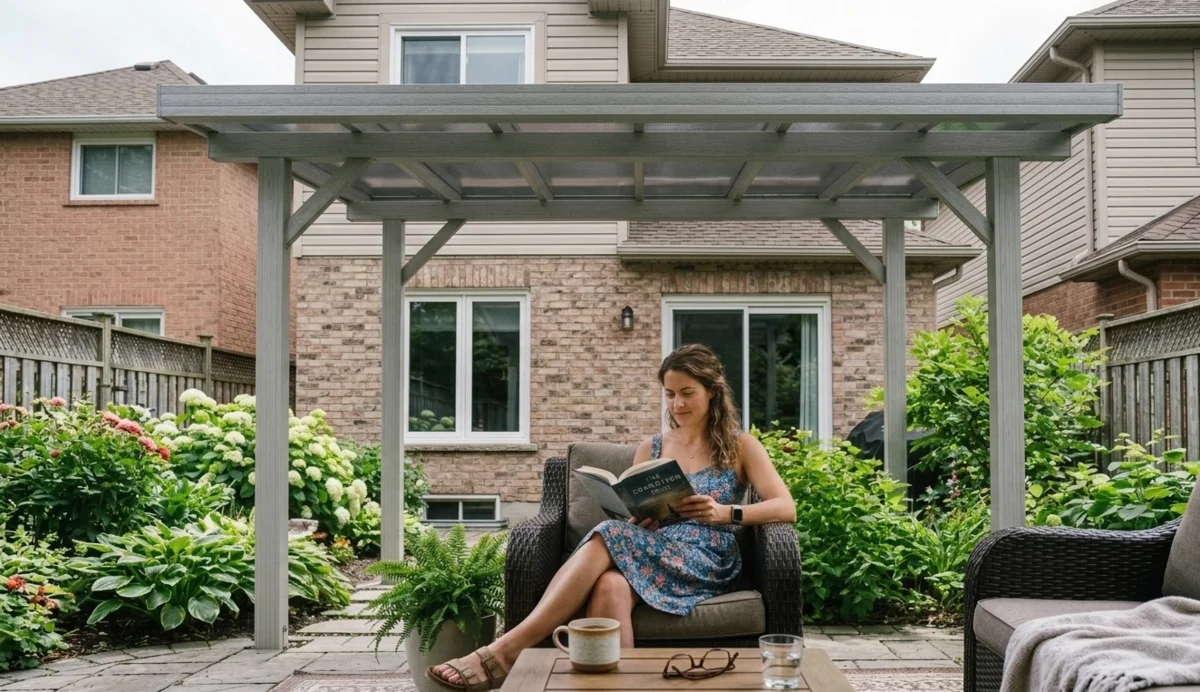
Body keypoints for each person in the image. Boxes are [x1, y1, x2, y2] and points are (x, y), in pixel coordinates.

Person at [427, 344, 798, 691]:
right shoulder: (652, 447)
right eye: (670, 394)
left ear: (712, 392)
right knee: (610, 585)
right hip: (655, 548)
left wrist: (725, 512)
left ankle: (506, 650)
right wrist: (638, 518)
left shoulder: (739, 445)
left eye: (687, 393)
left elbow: (785, 507)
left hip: (707, 557)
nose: (677, 404)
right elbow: (635, 505)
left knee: (608, 533)